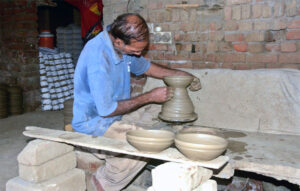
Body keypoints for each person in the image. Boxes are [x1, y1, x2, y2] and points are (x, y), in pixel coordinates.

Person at [73, 13, 201, 191]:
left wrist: (182, 75)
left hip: (117, 113)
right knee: (147, 145)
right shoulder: (98, 59)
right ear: (118, 42)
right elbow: (106, 110)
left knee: (156, 114)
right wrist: (149, 96)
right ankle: (103, 182)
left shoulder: (121, 46)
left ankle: (129, 153)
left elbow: (147, 68)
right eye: (135, 50)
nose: (139, 54)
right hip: (94, 122)